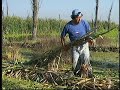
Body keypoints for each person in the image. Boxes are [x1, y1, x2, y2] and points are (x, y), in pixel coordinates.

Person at [61, 9, 94, 77]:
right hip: (75, 47)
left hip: (84, 46)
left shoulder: (84, 23)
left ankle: (88, 73)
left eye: (80, 17)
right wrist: (63, 46)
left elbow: (89, 34)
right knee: (75, 63)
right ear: (74, 17)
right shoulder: (68, 26)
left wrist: (90, 39)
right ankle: (76, 73)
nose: (80, 19)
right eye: (78, 17)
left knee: (86, 60)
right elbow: (62, 37)